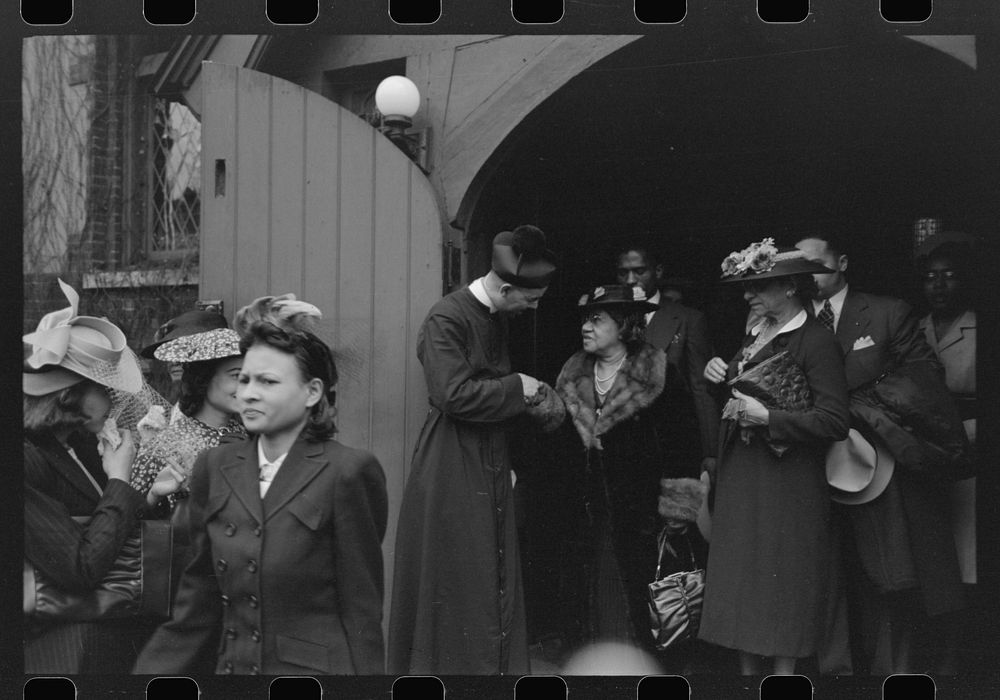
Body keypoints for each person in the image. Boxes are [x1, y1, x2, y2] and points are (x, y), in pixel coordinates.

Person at [134, 296, 388, 675]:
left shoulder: (348, 472)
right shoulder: (215, 467)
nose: (248, 392)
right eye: (244, 379)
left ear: (312, 393)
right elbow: (196, 608)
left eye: (267, 381)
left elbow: (361, 611)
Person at [388, 225, 557, 674]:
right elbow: (453, 394)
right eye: (530, 300)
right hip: (453, 457)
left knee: (488, 573)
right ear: (505, 289)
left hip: (489, 454)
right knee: (461, 572)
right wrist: (518, 386)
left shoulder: (495, 315)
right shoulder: (447, 317)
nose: (532, 308)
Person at [795, 233, 966, 675]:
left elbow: (925, 374)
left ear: (844, 262)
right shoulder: (789, 320)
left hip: (879, 466)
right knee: (825, 575)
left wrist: (857, 406)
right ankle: (836, 674)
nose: (810, 275)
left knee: (889, 573)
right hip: (811, 464)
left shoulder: (889, 312)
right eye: (801, 267)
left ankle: (894, 676)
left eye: (819, 265)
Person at [700, 239, 850, 676]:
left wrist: (770, 418)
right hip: (745, 475)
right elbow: (739, 389)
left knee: (782, 580)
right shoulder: (755, 334)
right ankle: (748, 677)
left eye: (760, 286)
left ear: (789, 289)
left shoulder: (815, 341)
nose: (749, 295)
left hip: (788, 483)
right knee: (744, 580)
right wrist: (717, 376)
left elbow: (834, 421)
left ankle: (783, 677)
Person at [23, 280, 175, 674]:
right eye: (105, 391)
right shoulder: (27, 459)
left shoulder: (77, 444)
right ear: (70, 395)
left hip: (101, 633)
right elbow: (80, 568)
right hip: (54, 646)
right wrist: (120, 481)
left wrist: (148, 498)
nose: (113, 403)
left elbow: (101, 525)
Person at [552, 284, 671, 654]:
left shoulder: (657, 371)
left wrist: (679, 505)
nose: (586, 327)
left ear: (623, 326)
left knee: (634, 582)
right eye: (585, 319)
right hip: (583, 508)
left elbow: (682, 442)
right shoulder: (571, 372)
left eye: (597, 319)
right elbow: (554, 445)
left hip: (639, 509)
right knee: (584, 583)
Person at [128, 312, 247, 605]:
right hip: (191, 584)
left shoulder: (252, 434)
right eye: (236, 376)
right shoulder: (165, 443)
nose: (247, 387)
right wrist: (157, 494)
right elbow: (130, 519)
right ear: (204, 379)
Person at [917, 233, 978, 673]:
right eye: (931, 277)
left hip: (970, 443)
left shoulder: (979, 324)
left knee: (967, 555)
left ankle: (959, 657)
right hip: (923, 446)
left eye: (949, 276)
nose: (939, 285)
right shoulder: (915, 328)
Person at [615, 246, 719, 481]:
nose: (631, 280)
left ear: (658, 271)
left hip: (669, 446)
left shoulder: (688, 319)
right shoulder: (607, 320)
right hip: (619, 446)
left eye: (639, 271)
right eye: (623, 273)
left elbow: (701, 389)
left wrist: (711, 452)